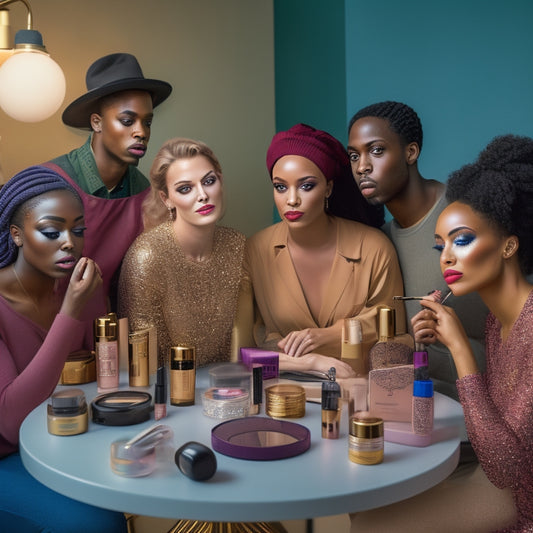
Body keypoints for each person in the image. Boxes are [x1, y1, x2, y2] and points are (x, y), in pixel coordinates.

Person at [352, 134, 533, 532]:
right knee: (363, 509)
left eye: (462, 240)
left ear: (509, 245)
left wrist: (460, 352)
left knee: (369, 527)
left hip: (517, 501)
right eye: (440, 245)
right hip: (494, 481)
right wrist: (436, 342)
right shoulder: (496, 320)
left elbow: (504, 466)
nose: (448, 256)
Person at [0, 166, 127, 532]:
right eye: (52, 231)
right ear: (17, 235)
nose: (69, 242)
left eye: (79, 230)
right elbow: (9, 423)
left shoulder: (80, 288)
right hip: (6, 455)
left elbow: (99, 382)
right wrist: (69, 313)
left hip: (61, 441)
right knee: (98, 523)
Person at [347, 101, 487, 400]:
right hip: (417, 411)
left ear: (411, 152)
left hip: (488, 413)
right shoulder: (380, 243)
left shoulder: (468, 214)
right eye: (354, 155)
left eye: (377, 150)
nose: (362, 167)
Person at [244, 123, 405, 378]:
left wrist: (322, 336)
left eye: (306, 186)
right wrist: (310, 362)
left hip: (358, 394)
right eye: (280, 187)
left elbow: (395, 333)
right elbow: (243, 355)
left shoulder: (374, 248)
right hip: (281, 396)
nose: (292, 199)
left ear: (328, 188)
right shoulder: (254, 251)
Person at [45, 53, 172, 302]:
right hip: (44, 326)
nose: (141, 132)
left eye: (147, 122)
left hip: (111, 329)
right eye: (127, 121)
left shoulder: (145, 194)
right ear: (97, 122)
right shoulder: (52, 182)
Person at [118, 138, 246, 367]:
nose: (203, 195)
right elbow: (143, 360)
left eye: (209, 181)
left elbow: (248, 340)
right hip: (170, 393)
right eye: (185, 188)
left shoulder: (238, 245)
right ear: (166, 199)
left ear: (221, 181)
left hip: (231, 387)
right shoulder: (146, 257)